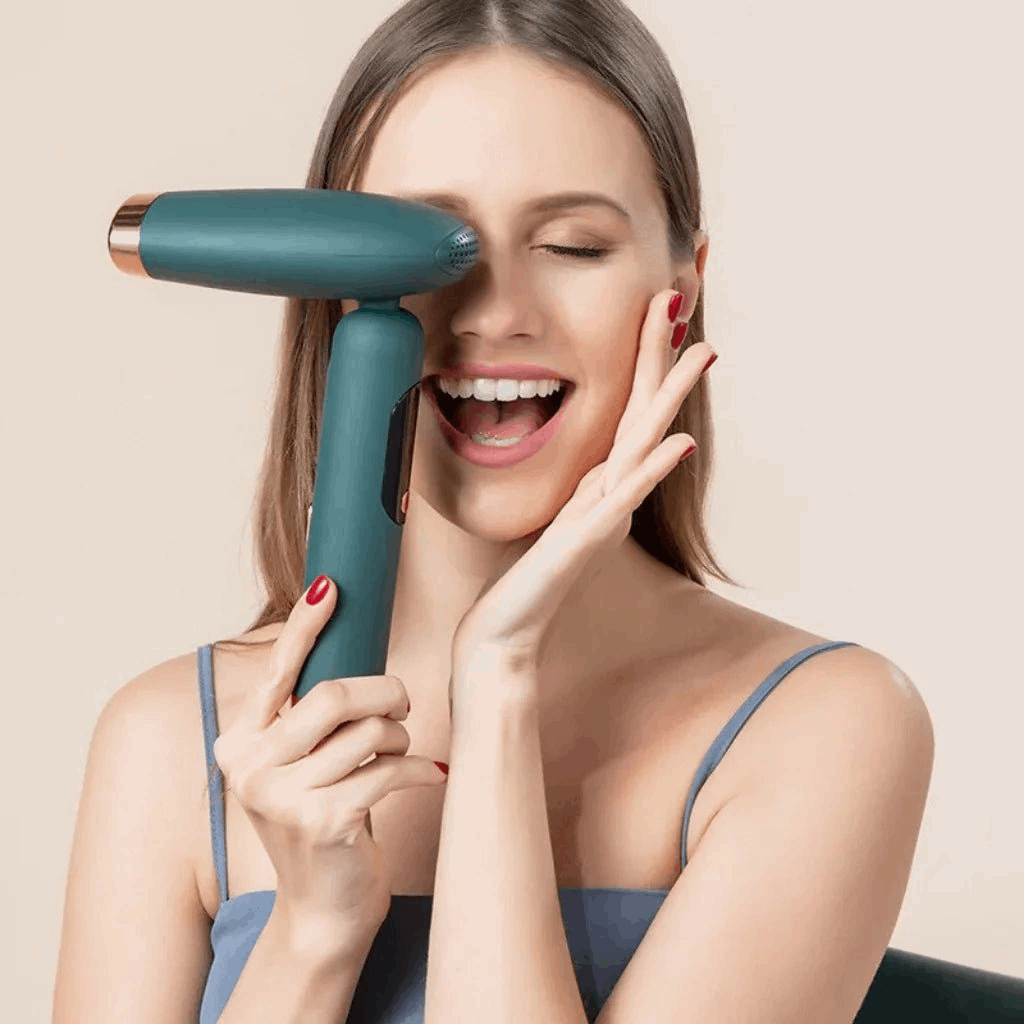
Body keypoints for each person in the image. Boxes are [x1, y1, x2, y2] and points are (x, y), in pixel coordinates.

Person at [52, 2, 935, 1022]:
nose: (497, 313)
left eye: (571, 245)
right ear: (326, 278)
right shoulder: (168, 745)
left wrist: (498, 680)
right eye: (429, 244)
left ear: (682, 289)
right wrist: (312, 933)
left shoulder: (820, 729)